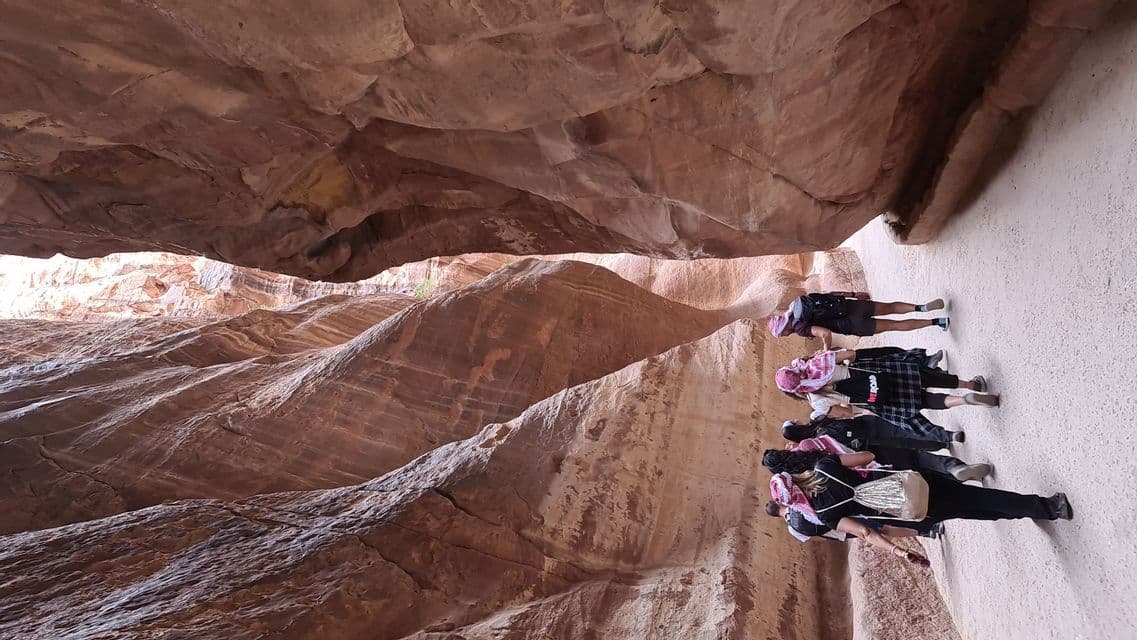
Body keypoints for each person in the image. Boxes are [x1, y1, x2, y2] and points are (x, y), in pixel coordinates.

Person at [772, 450, 1072, 564]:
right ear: (795, 477)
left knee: (969, 509)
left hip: (911, 509)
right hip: (909, 484)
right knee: (974, 498)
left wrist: (899, 551)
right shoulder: (823, 466)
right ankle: (1048, 508)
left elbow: (863, 532)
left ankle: (1023, 510)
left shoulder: (825, 515)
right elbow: (864, 457)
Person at [775, 347, 1000, 443]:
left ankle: (961, 401)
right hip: (877, 373)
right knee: (923, 377)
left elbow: (845, 412)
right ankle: (969, 385)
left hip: (874, 398)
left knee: (921, 402)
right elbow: (850, 354)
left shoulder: (816, 402)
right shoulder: (818, 364)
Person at [768, 292, 949, 348]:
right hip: (851, 306)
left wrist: (826, 350)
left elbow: (825, 333)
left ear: (784, 329)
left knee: (895, 326)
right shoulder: (798, 304)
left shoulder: (800, 328)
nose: (784, 336)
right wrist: (853, 294)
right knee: (891, 306)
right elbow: (829, 295)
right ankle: (921, 307)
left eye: (782, 334)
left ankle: (937, 322)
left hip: (853, 324)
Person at [781, 412, 960, 451]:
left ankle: (941, 443)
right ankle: (947, 436)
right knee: (906, 427)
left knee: (905, 442)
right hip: (865, 424)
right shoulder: (817, 420)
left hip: (866, 442)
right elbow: (843, 413)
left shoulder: (815, 442)